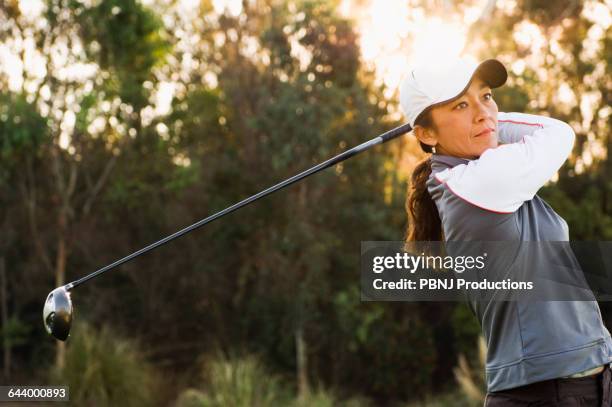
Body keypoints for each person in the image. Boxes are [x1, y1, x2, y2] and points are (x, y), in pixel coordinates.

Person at [399, 56, 612, 406]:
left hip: (590, 384)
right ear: (425, 133)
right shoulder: (475, 182)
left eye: (486, 97)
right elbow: (558, 133)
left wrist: (484, 123)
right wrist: (492, 125)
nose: (482, 112)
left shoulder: (487, 176)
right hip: (545, 395)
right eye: (461, 105)